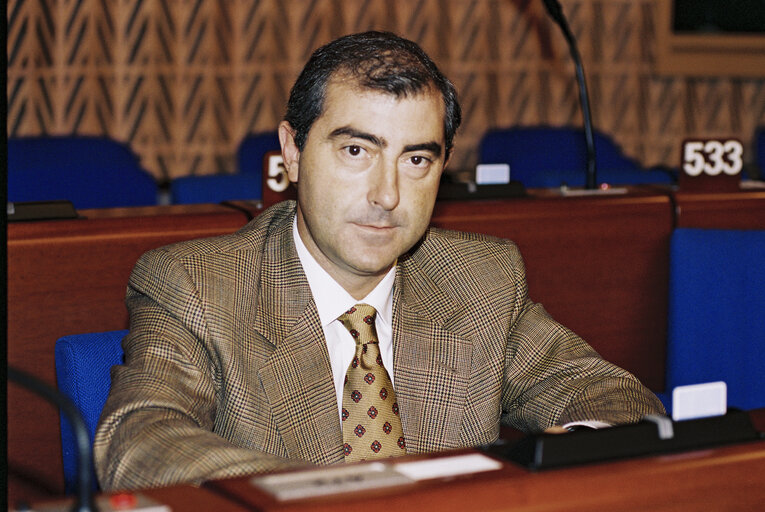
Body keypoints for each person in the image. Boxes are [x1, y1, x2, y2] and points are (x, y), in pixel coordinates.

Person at [94, 31, 664, 490]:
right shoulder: (194, 284)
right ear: (293, 152)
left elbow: (613, 396)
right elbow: (140, 440)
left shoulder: (479, 278)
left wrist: (573, 445)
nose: (387, 194)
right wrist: (345, 494)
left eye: (416, 159)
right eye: (356, 151)